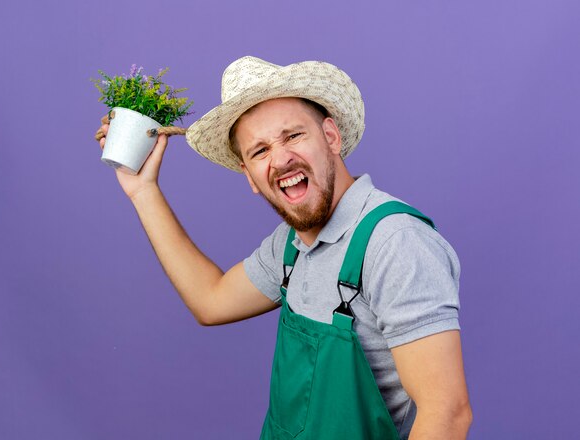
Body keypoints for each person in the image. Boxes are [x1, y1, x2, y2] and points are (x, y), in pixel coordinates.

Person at [95, 56, 472, 439]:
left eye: (293, 136)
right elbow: (211, 301)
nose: (280, 159)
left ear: (331, 136)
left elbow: (447, 412)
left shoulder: (394, 242)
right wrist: (143, 190)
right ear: (250, 176)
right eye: (259, 151)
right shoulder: (291, 245)